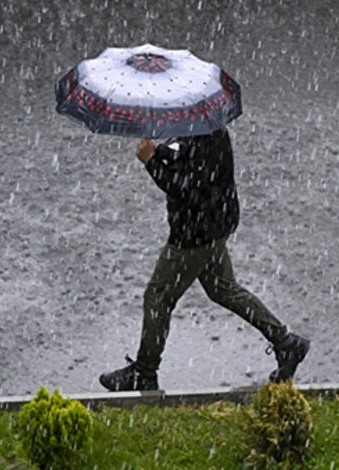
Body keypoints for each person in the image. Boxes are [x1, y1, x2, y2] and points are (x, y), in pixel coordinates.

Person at [99, 126, 310, 392]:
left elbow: (186, 188)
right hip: (213, 225)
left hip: (195, 234)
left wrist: (151, 161)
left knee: (158, 296)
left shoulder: (202, 135)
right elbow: (185, 159)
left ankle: (144, 371)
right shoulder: (204, 127)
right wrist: (161, 151)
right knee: (223, 288)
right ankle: (287, 343)